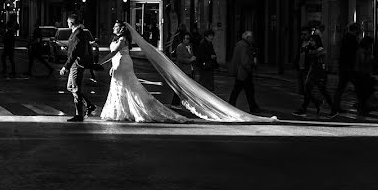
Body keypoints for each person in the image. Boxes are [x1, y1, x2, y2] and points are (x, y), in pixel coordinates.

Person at [100, 22, 268, 123]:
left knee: (130, 88)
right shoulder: (117, 39)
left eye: (116, 26)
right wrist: (111, 66)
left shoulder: (122, 40)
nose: (114, 28)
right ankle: (122, 110)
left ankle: (136, 110)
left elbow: (114, 53)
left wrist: (100, 62)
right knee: (120, 88)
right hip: (119, 65)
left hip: (123, 64)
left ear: (122, 29)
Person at [59, 13, 96, 122]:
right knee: (70, 87)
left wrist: (65, 67)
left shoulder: (78, 34)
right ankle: (88, 105)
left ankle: (79, 114)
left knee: (75, 87)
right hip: (75, 63)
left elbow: (74, 52)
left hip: (77, 64)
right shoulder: (77, 33)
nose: (67, 24)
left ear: (71, 23)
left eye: (68, 22)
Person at [293, 33, 336, 117]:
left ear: (316, 41)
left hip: (319, 73)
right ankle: (306, 108)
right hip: (313, 72)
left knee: (323, 91)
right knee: (308, 89)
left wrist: (311, 52)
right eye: (310, 40)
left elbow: (319, 54)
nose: (311, 42)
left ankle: (332, 109)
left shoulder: (320, 49)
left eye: (312, 40)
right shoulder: (311, 49)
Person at [227, 31, 262, 113]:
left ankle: (252, 106)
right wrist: (251, 65)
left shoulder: (240, 44)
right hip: (243, 72)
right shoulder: (244, 45)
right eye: (251, 37)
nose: (252, 39)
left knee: (243, 90)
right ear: (248, 38)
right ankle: (252, 107)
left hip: (241, 72)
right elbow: (244, 60)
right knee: (245, 90)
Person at [332, 22, 360, 114]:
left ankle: (336, 105)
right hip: (348, 67)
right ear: (355, 30)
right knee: (358, 85)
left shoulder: (345, 37)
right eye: (357, 30)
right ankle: (361, 104)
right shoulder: (352, 39)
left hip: (343, 66)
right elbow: (354, 53)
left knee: (341, 87)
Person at [354, 36, 377, 116]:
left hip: (361, 73)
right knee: (366, 91)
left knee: (364, 92)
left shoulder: (360, 50)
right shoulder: (362, 51)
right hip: (362, 73)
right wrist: (370, 57)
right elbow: (363, 61)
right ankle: (362, 106)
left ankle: (362, 106)